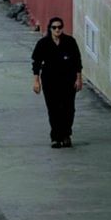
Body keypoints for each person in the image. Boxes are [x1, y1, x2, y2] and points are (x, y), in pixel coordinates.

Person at [32, 17, 83, 148]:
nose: (57, 30)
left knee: (68, 109)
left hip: (68, 80)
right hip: (50, 81)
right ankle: (56, 137)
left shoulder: (70, 42)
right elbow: (36, 63)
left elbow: (77, 61)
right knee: (53, 109)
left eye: (59, 27)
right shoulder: (43, 43)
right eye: (54, 27)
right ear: (50, 28)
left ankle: (66, 135)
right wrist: (36, 81)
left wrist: (79, 78)